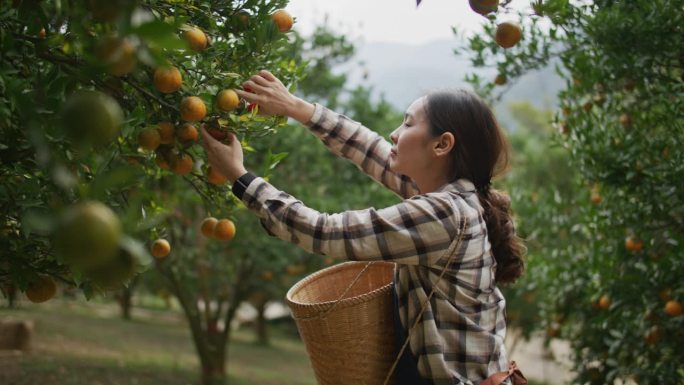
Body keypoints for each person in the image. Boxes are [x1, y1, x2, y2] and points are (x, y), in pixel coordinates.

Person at [200, 70, 526, 385]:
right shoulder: (458, 199)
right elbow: (369, 149)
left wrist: (240, 177)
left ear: (441, 145)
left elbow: (322, 231)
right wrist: (295, 107)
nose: (395, 134)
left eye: (409, 123)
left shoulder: (444, 214)